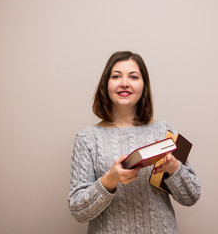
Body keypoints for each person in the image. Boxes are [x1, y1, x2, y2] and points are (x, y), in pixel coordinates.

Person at [68, 51, 201, 233]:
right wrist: (110, 180)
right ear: (105, 84)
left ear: (144, 85)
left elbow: (191, 196)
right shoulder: (87, 139)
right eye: (116, 76)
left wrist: (173, 168)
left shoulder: (164, 130)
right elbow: (78, 211)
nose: (124, 83)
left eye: (133, 77)